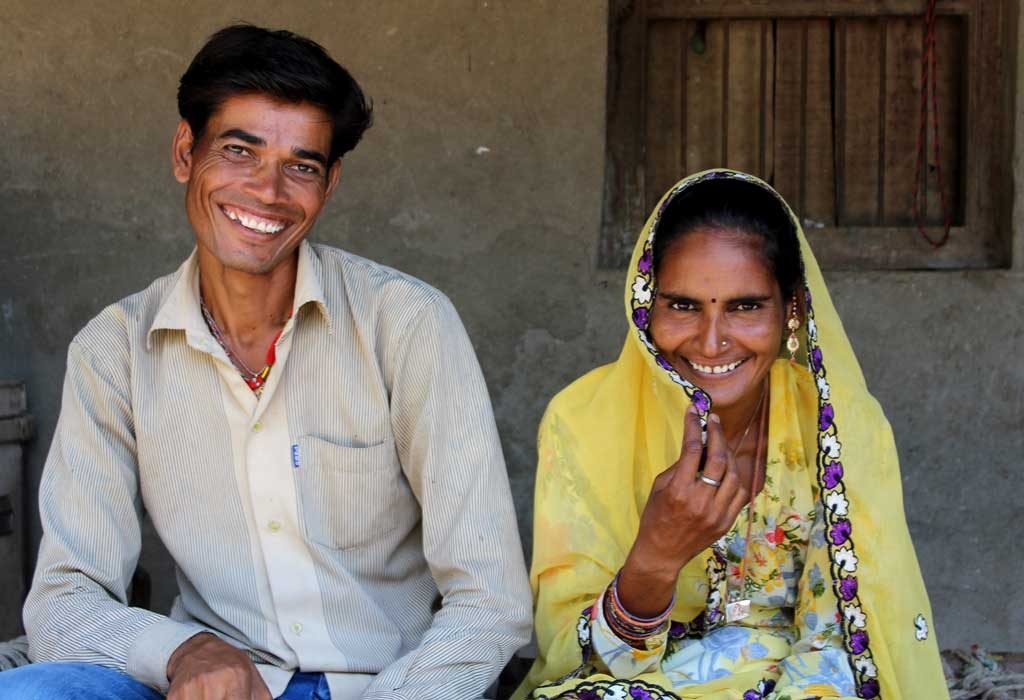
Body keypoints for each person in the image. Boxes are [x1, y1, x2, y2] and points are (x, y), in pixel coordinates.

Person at [0, 24, 531, 700]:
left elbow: (489, 603)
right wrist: (187, 652)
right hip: (203, 688)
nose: (267, 190)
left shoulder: (405, 324)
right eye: (239, 151)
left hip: (383, 686)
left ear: (330, 183)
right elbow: (65, 601)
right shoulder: (114, 352)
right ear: (185, 153)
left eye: (301, 166)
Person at [515, 170, 946, 699]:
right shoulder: (582, 418)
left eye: (745, 306)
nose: (712, 341)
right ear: (645, 306)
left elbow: (837, 648)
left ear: (791, 309)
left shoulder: (834, 422)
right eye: (682, 305)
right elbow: (570, 655)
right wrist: (656, 556)